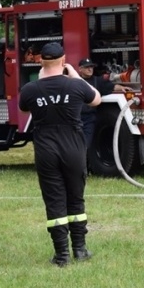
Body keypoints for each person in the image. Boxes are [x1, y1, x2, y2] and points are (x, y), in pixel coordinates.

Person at [18, 42, 102, 266]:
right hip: (73, 147)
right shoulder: (75, 86)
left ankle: (62, 255)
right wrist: (74, 74)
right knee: (76, 198)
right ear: (63, 60)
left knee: (55, 200)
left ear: (41, 62)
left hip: (46, 149)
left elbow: (24, 108)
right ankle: (80, 250)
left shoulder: (30, 89)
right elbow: (96, 99)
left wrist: (40, 79)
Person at [77, 58, 133, 148]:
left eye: (91, 67)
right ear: (80, 69)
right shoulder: (75, 82)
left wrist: (122, 88)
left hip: (89, 118)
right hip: (76, 118)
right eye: (87, 67)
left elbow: (112, 86)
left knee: (85, 144)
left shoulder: (98, 81)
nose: (90, 69)